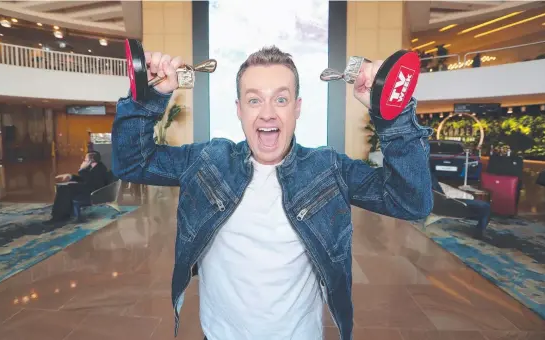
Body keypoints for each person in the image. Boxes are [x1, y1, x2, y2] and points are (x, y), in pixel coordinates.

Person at [112, 46, 433, 340]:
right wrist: (148, 99)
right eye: (254, 100)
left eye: (281, 99)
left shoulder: (328, 169)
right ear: (239, 109)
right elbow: (132, 163)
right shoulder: (207, 161)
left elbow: (411, 201)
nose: (267, 113)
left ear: (297, 108)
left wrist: (391, 114)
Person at [49, 151, 110, 222]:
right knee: (64, 188)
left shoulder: (100, 169)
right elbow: (84, 179)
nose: (83, 161)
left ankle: (58, 217)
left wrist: (82, 169)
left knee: (64, 189)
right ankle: (63, 215)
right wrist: (71, 176)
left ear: (91, 160)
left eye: (85, 160)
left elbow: (90, 182)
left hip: (95, 193)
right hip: (90, 189)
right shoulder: (94, 167)